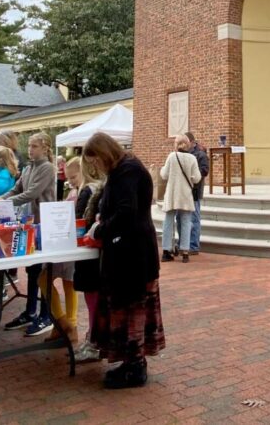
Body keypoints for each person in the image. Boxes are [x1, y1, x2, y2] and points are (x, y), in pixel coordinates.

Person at [82, 132, 164, 389]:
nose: (95, 166)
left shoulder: (127, 170)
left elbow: (126, 211)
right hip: (131, 252)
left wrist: (101, 228)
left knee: (131, 309)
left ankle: (135, 366)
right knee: (128, 308)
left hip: (133, 255)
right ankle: (131, 362)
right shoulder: (124, 168)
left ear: (104, 153)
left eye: (95, 161)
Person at [0, 132, 56, 336]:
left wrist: (5, 202)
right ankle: (30, 311)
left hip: (44, 223)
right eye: (29, 146)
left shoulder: (47, 168)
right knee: (32, 269)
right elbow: (16, 189)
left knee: (43, 271)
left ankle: (46, 314)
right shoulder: (28, 167)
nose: (30, 150)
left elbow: (32, 193)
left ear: (45, 148)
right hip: (30, 223)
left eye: (35, 146)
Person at [68, 157, 104, 362]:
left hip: (88, 250)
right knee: (93, 298)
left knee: (92, 298)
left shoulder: (88, 191)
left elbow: (79, 220)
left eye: (73, 176)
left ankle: (94, 340)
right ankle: (93, 338)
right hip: (93, 250)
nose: (70, 180)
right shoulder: (97, 189)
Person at [159, 135, 202, 263]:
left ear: (176, 145)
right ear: (188, 145)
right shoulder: (192, 158)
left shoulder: (172, 156)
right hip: (185, 194)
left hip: (173, 193)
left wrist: (162, 169)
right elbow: (197, 178)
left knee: (168, 221)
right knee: (186, 222)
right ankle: (185, 251)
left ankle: (166, 251)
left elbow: (164, 175)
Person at [184, 131, 210, 255]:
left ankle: (193, 246)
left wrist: (192, 175)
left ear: (192, 142)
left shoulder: (200, 155)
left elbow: (204, 170)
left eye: (186, 142)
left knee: (194, 218)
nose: (184, 144)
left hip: (195, 190)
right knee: (183, 219)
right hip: (184, 190)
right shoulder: (182, 154)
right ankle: (184, 244)